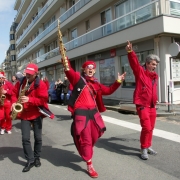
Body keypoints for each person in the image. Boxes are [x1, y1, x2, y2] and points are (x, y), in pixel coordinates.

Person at [60, 55, 126, 178]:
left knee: (96, 135)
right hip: (81, 113)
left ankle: (87, 150)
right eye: (88, 67)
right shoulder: (77, 79)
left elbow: (109, 90)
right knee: (86, 139)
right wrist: (65, 58)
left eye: (92, 68)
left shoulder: (96, 84)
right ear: (84, 70)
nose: (90, 69)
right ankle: (89, 165)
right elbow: (68, 70)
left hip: (94, 113)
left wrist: (118, 81)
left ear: (94, 70)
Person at [11, 63, 54, 172]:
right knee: (25, 138)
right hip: (25, 114)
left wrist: (30, 100)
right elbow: (13, 94)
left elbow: (43, 100)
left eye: (30, 74)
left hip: (36, 114)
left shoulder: (41, 84)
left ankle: (37, 158)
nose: (28, 76)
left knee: (38, 138)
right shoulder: (21, 82)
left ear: (36, 74)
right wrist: (12, 102)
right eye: (27, 73)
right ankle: (30, 160)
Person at [126, 41, 160, 160]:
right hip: (142, 104)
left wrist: (156, 101)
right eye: (153, 64)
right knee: (146, 127)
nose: (154, 66)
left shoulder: (155, 76)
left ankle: (148, 146)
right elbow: (134, 63)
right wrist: (130, 52)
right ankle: (143, 148)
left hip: (152, 105)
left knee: (151, 128)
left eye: (156, 65)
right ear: (147, 63)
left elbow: (153, 91)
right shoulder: (140, 72)